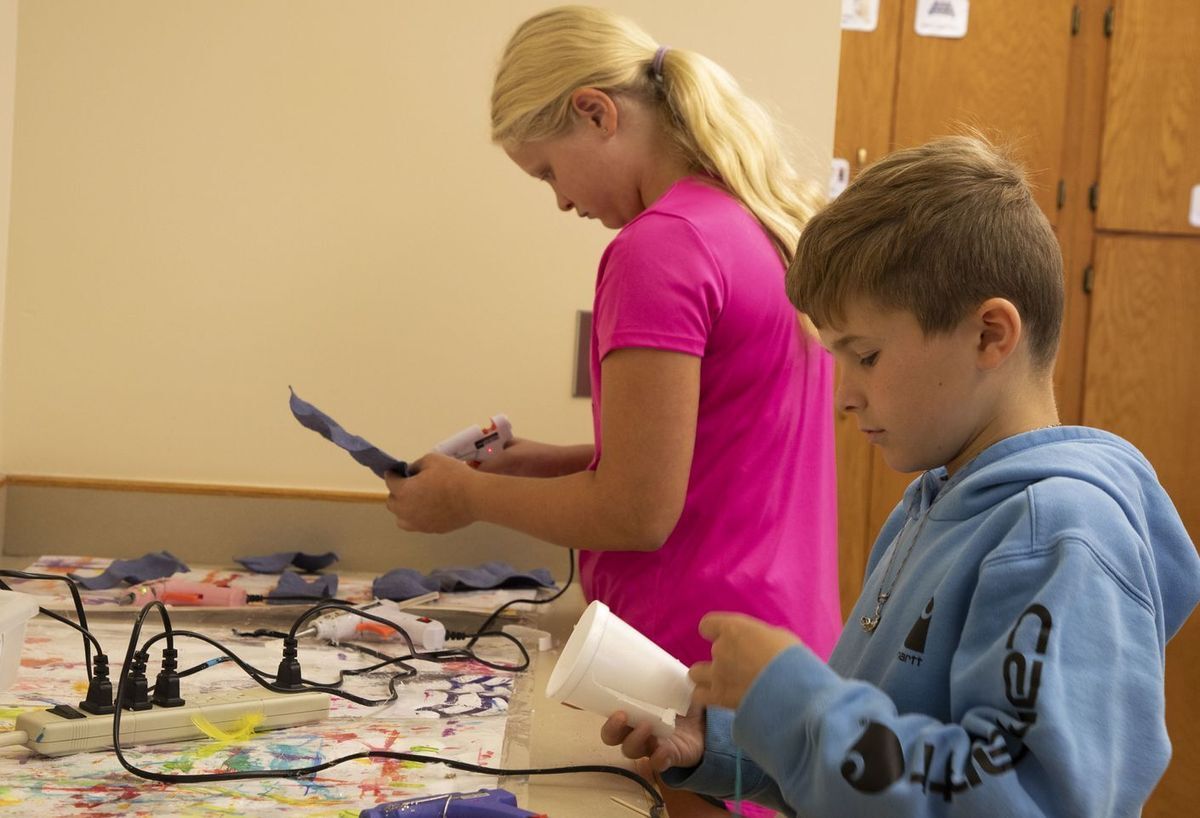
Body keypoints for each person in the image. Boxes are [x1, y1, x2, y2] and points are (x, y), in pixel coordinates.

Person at [601, 134, 1200, 816]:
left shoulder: (1060, 537)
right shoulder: (931, 503)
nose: (844, 395)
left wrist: (796, 702)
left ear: (990, 336)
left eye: (866, 355)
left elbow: (1014, 802)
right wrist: (729, 743)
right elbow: (880, 761)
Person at [384, 6, 842, 670]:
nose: (562, 202)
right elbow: (714, 458)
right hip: (780, 650)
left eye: (546, 172)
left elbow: (636, 513)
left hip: (690, 663)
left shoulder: (660, 247)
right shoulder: (753, 224)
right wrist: (539, 464)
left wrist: (467, 496)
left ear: (596, 112)